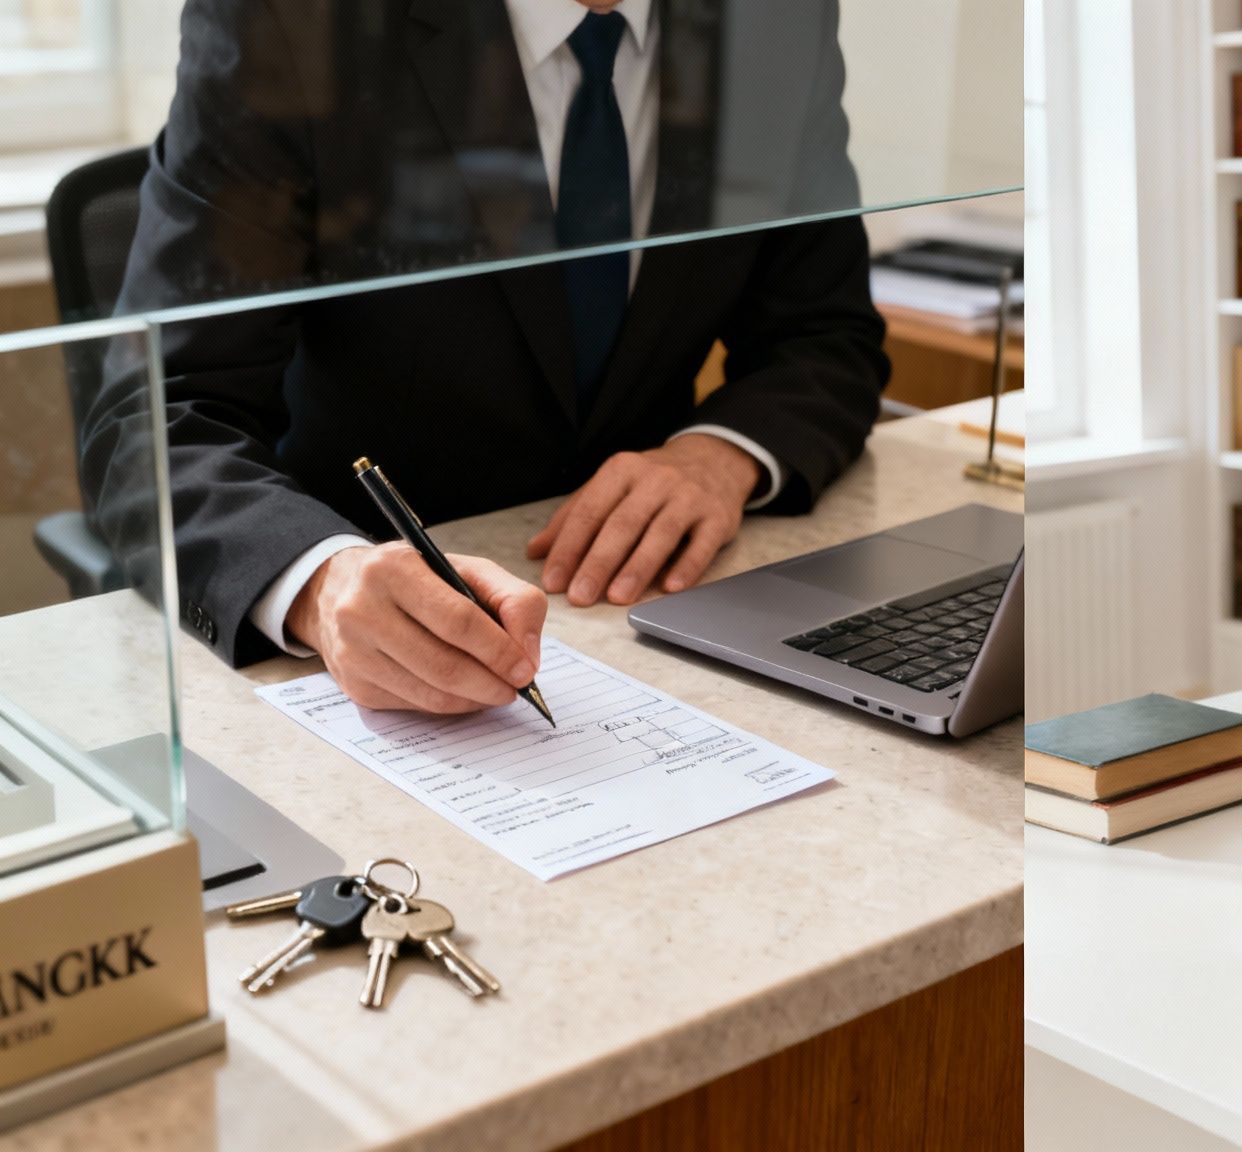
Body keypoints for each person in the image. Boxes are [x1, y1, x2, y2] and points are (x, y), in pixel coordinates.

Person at [80, 0, 888, 716]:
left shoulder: (779, 20)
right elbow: (151, 419)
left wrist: (721, 455)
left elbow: (826, 334)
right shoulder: (287, 19)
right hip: (368, 638)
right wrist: (319, 583)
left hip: (658, 620)